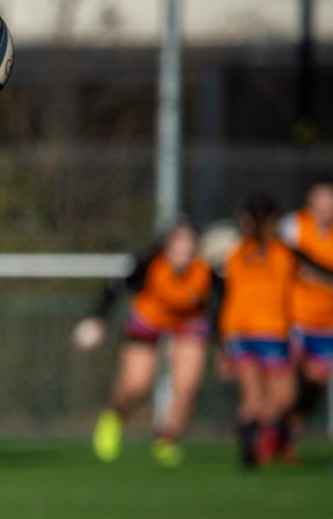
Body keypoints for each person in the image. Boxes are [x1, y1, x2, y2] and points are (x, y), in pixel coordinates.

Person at [75, 218, 212, 467]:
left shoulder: (204, 271)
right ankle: (114, 418)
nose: (183, 251)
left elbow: (225, 302)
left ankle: (167, 439)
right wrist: (98, 319)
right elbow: (114, 289)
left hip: (188, 325)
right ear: (166, 246)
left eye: (188, 245)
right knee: (136, 385)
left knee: (187, 387)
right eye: (177, 244)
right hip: (148, 321)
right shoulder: (148, 265)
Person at [217, 195, 297, 468]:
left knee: (252, 398)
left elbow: (224, 295)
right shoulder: (282, 252)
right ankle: (256, 430)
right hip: (270, 330)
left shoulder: (236, 251)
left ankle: (250, 428)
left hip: (237, 330)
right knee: (284, 396)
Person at [278, 176, 333, 447]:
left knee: (315, 382)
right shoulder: (293, 227)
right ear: (310, 202)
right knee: (286, 384)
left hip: (327, 324)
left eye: (330, 200)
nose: (326, 206)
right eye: (321, 200)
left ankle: (287, 433)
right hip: (296, 320)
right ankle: (273, 433)